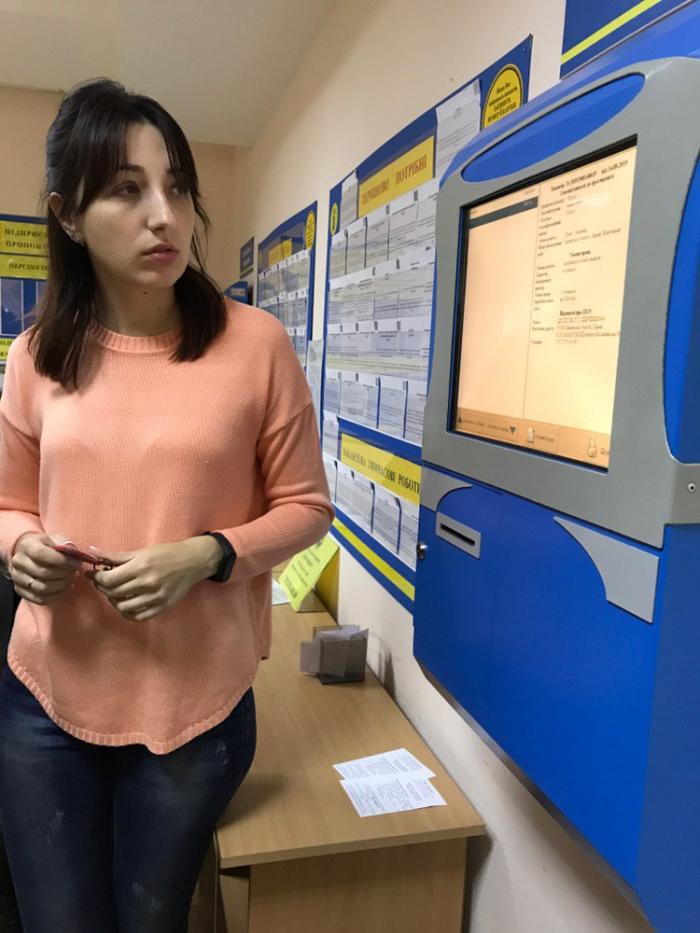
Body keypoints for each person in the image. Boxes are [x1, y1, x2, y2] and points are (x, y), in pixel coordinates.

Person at [0, 78, 333, 933]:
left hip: (194, 713)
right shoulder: (35, 356)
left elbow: (307, 507)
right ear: (68, 215)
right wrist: (20, 547)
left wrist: (208, 554)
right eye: (127, 188)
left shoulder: (254, 345)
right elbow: (7, 503)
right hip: (46, 700)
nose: (164, 215)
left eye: (177, 187)